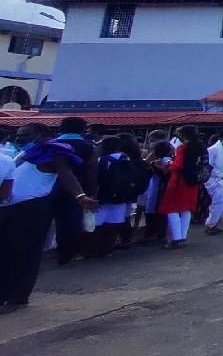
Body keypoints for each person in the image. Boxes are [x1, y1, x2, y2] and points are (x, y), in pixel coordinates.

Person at [0, 123, 96, 312]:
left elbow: (66, 174)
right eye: (18, 134)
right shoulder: (27, 153)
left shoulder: (52, 153)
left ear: (41, 135)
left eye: (25, 134)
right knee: (6, 253)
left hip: (32, 209)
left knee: (25, 253)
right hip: (11, 208)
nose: (20, 138)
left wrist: (80, 195)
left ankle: (18, 298)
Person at [51, 116, 98, 265]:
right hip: (78, 189)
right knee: (70, 221)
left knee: (48, 220)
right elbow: (92, 171)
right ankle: (66, 253)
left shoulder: (52, 144)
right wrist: (91, 190)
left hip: (50, 187)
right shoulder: (88, 146)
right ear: (83, 129)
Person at [94, 135, 143, 255]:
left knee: (98, 224)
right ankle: (108, 249)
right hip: (122, 197)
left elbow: (97, 178)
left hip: (104, 196)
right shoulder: (127, 158)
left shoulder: (103, 160)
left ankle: (96, 249)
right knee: (113, 223)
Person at [157, 125, 204, 250]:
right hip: (193, 180)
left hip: (179, 181)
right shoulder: (200, 146)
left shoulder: (182, 148)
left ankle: (176, 239)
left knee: (171, 209)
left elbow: (177, 165)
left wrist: (167, 161)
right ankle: (182, 238)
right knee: (186, 209)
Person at [140, 140, 173, 243]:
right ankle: (157, 234)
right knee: (156, 211)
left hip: (158, 188)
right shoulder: (165, 159)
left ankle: (154, 235)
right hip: (158, 188)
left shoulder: (164, 160)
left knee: (155, 210)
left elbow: (165, 171)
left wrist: (154, 164)